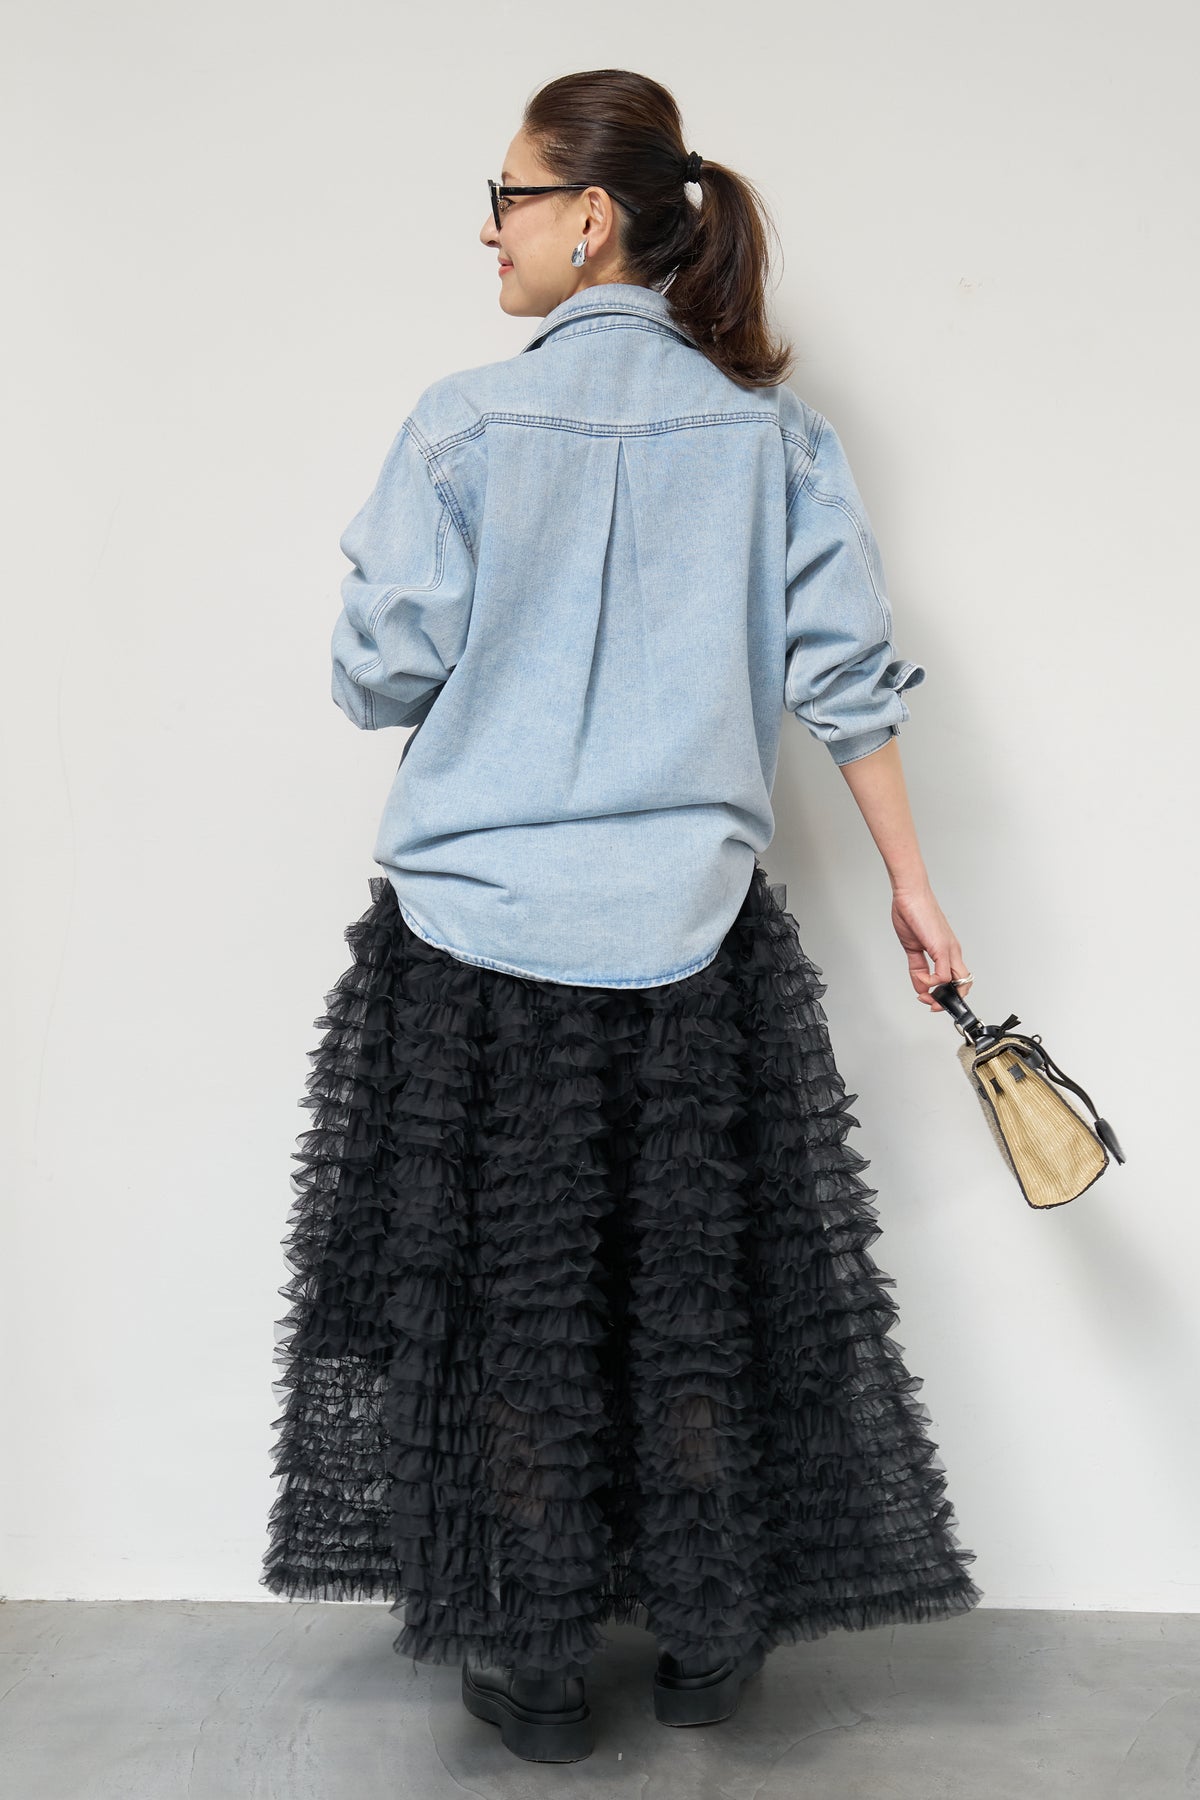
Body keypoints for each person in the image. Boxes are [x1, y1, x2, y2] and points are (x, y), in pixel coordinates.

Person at [260, 67, 984, 1766]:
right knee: (691, 1292)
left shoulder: (460, 425)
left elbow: (379, 677)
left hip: (475, 946)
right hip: (690, 937)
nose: (490, 233)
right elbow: (847, 682)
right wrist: (913, 886)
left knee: (510, 1307)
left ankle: (531, 1663)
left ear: (591, 219)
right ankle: (709, 1639)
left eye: (507, 198)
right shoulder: (772, 438)